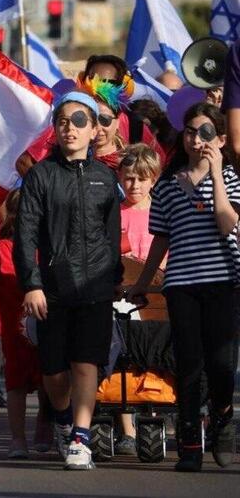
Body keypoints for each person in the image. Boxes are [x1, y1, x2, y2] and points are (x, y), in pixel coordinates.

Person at [15, 91, 123, 471]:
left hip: (95, 288)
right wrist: (31, 284)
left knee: (85, 363)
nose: (70, 128)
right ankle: (62, 420)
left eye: (80, 121)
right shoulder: (40, 176)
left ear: (95, 129)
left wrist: (114, 281)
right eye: (63, 121)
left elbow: (112, 235)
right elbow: (25, 235)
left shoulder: (105, 178)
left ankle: (80, 436)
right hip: (52, 289)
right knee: (54, 372)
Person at [128, 103, 238, 472]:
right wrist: (140, 286)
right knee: (189, 363)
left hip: (223, 281)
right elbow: (160, 240)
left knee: (222, 363)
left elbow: (227, 224)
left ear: (221, 139)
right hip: (181, 284)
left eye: (206, 133)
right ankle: (189, 440)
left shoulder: (233, 181)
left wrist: (218, 174)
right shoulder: (168, 187)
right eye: (191, 131)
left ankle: (222, 417)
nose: (197, 139)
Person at [15, 55, 164, 175]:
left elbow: (158, 168)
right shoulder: (71, 122)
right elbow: (24, 163)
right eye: (91, 80)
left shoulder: (135, 125)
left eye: (107, 82)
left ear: (123, 86)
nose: (97, 88)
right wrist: (53, 195)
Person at [0, 189, 44, 459]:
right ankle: (18, 439)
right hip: (17, 328)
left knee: (49, 377)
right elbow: (10, 282)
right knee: (17, 383)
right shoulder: (4, 247)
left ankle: (45, 425)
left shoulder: (48, 247)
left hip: (47, 323)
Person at [113, 142, 162, 456]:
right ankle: (128, 430)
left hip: (158, 296)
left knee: (155, 356)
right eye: (129, 178)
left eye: (141, 178)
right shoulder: (115, 213)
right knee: (124, 357)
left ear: (153, 179)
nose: (135, 185)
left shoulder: (161, 212)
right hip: (124, 296)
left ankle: (154, 415)